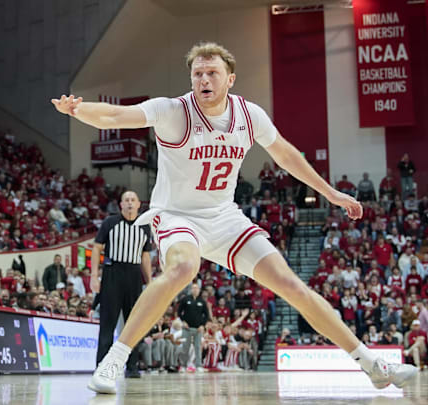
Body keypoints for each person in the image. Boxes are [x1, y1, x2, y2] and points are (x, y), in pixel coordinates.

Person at [51, 42, 416, 394]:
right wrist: (78, 110)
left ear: (230, 79)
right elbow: (117, 115)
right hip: (177, 216)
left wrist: (330, 193)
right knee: (181, 269)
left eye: (212, 72)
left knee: (292, 287)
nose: (203, 80)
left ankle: (372, 366)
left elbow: (286, 155)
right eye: (197, 74)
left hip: (225, 217)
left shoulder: (249, 114)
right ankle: (115, 358)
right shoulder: (173, 111)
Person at [91, 191, 152, 378]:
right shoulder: (110, 222)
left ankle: (132, 367)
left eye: (133, 200)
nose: (130, 203)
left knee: (133, 323)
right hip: (113, 273)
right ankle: (102, 366)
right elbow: (97, 247)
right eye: (127, 200)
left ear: (139, 204)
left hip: (134, 275)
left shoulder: (145, 226)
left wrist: (149, 282)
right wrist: (94, 275)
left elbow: (145, 255)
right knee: (107, 323)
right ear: (121, 204)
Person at [177, 284, 210, 372]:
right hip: (187, 328)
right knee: (185, 347)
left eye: (197, 288)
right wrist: (183, 321)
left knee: (198, 347)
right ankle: (183, 365)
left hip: (198, 329)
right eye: (193, 288)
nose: (195, 290)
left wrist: (202, 325)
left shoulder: (202, 301)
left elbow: (206, 315)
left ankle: (199, 365)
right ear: (190, 289)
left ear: (199, 290)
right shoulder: (185, 299)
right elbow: (179, 312)